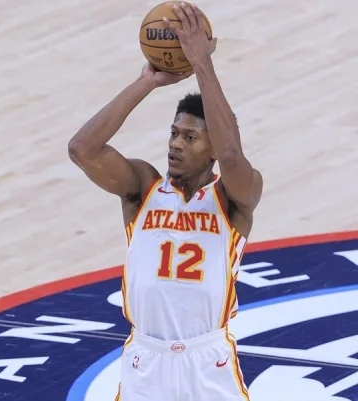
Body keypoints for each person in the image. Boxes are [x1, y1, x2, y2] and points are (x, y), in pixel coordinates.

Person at [68, 3, 260, 401]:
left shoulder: (233, 198)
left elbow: (232, 155)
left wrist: (202, 64)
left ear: (211, 149)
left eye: (190, 137)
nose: (175, 144)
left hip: (208, 362)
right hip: (146, 361)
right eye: (174, 133)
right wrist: (148, 81)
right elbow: (81, 149)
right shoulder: (143, 189)